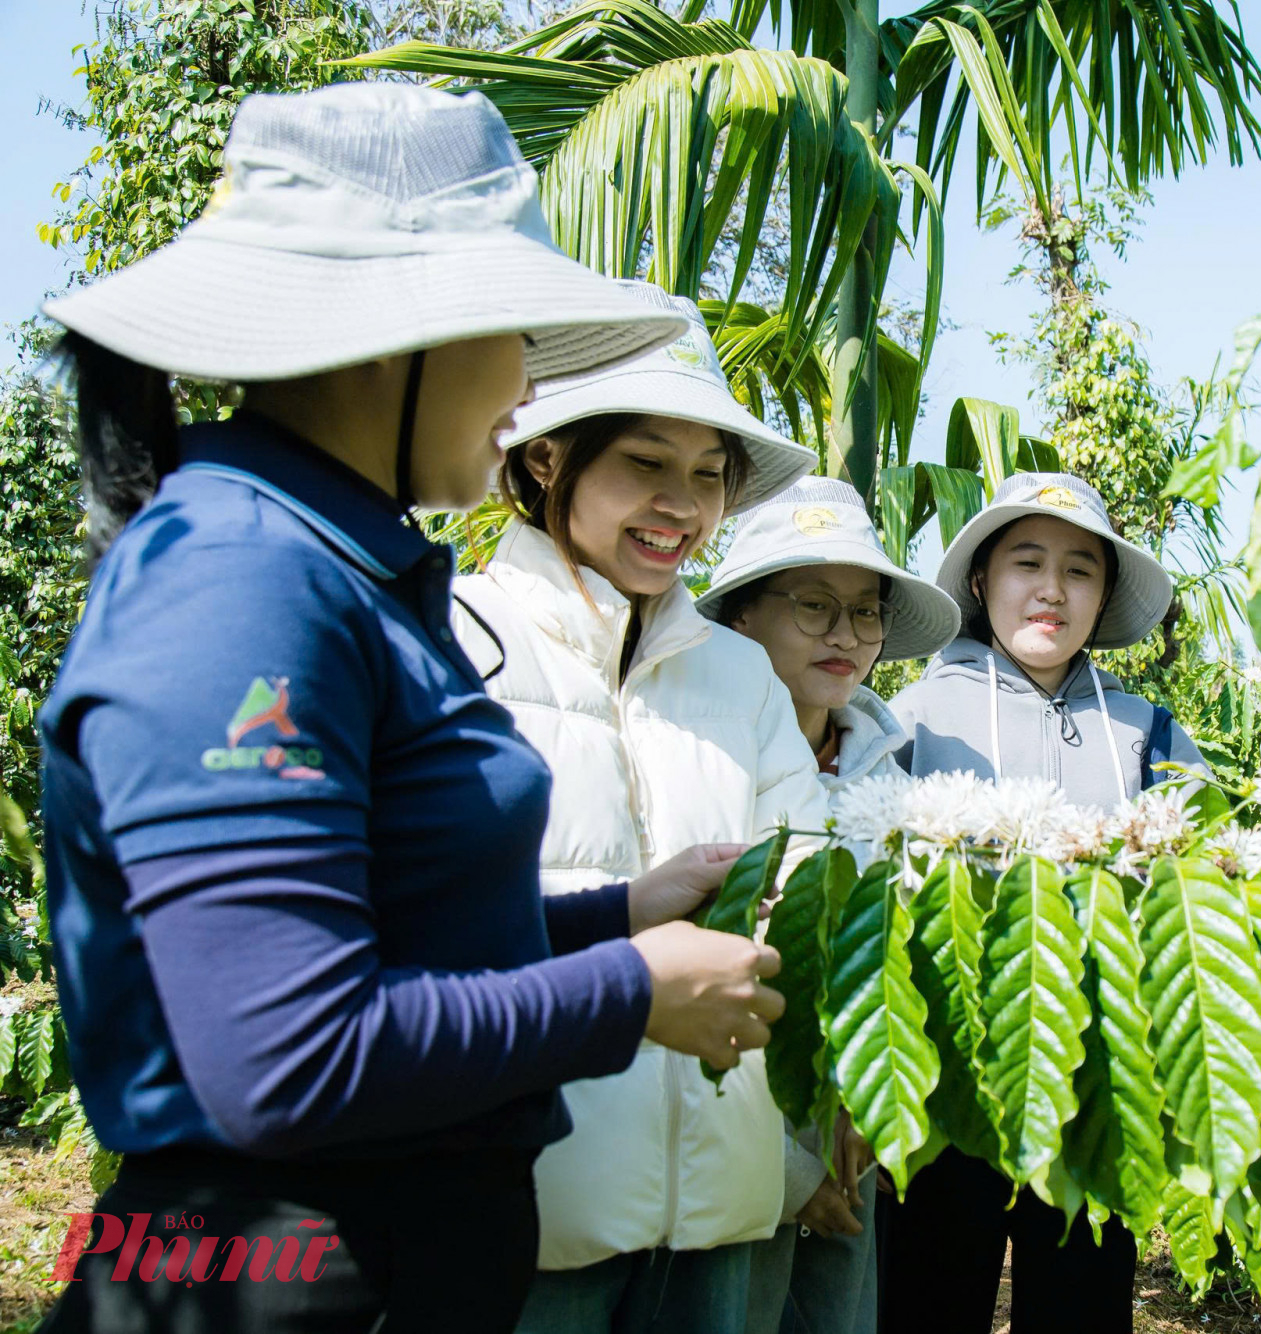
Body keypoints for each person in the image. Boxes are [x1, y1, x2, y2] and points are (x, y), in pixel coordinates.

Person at [34, 84, 788, 1334]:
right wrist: (628, 985)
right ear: (394, 333)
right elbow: (288, 1053)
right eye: (514, 335)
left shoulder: (342, 569)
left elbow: (384, 923)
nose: (527, 383)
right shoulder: (240, 579)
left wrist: (616, 909)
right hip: (274, 1273)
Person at [450, 281, 829, 1334]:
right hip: (536, 1199)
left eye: (708, 477)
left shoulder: (741, 675)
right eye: (645, 465)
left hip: (723, 1198)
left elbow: (807, 869)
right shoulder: (457, 637)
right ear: (544, 459)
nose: (682, 505)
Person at [876, 471, 1206, 1334]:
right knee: (925, 1295)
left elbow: (1198, 871)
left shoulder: (1148, 732)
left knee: (1082, 1305)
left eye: (1080, 570)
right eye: (1027, 562)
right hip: (949, 1076)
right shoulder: (907, 721)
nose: (1052, 589)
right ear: (982, 583)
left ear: (1105, 596)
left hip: (1096, 1080)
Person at [697, 477, 959, 1334]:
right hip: (726, 1159)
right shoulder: (702, 764)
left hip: (847, 1150)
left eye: (865, 611)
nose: (847, 635)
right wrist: (782, 1173)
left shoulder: (888, 773)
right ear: (741, 616)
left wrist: (876, 1106)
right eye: (814, 605)